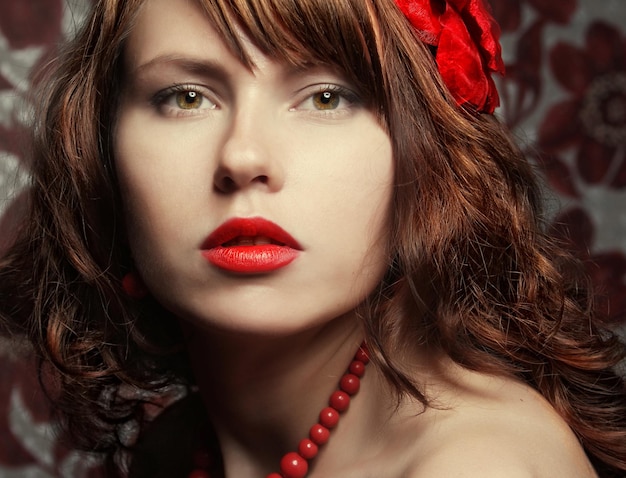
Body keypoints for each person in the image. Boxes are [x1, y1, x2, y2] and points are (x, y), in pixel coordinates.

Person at [1, 0, 625, 476]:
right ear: (101, 153)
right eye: (186, 96)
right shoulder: (181, 445)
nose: (244, 156)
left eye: (326, 97)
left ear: (424, 156)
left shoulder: (479, 464)